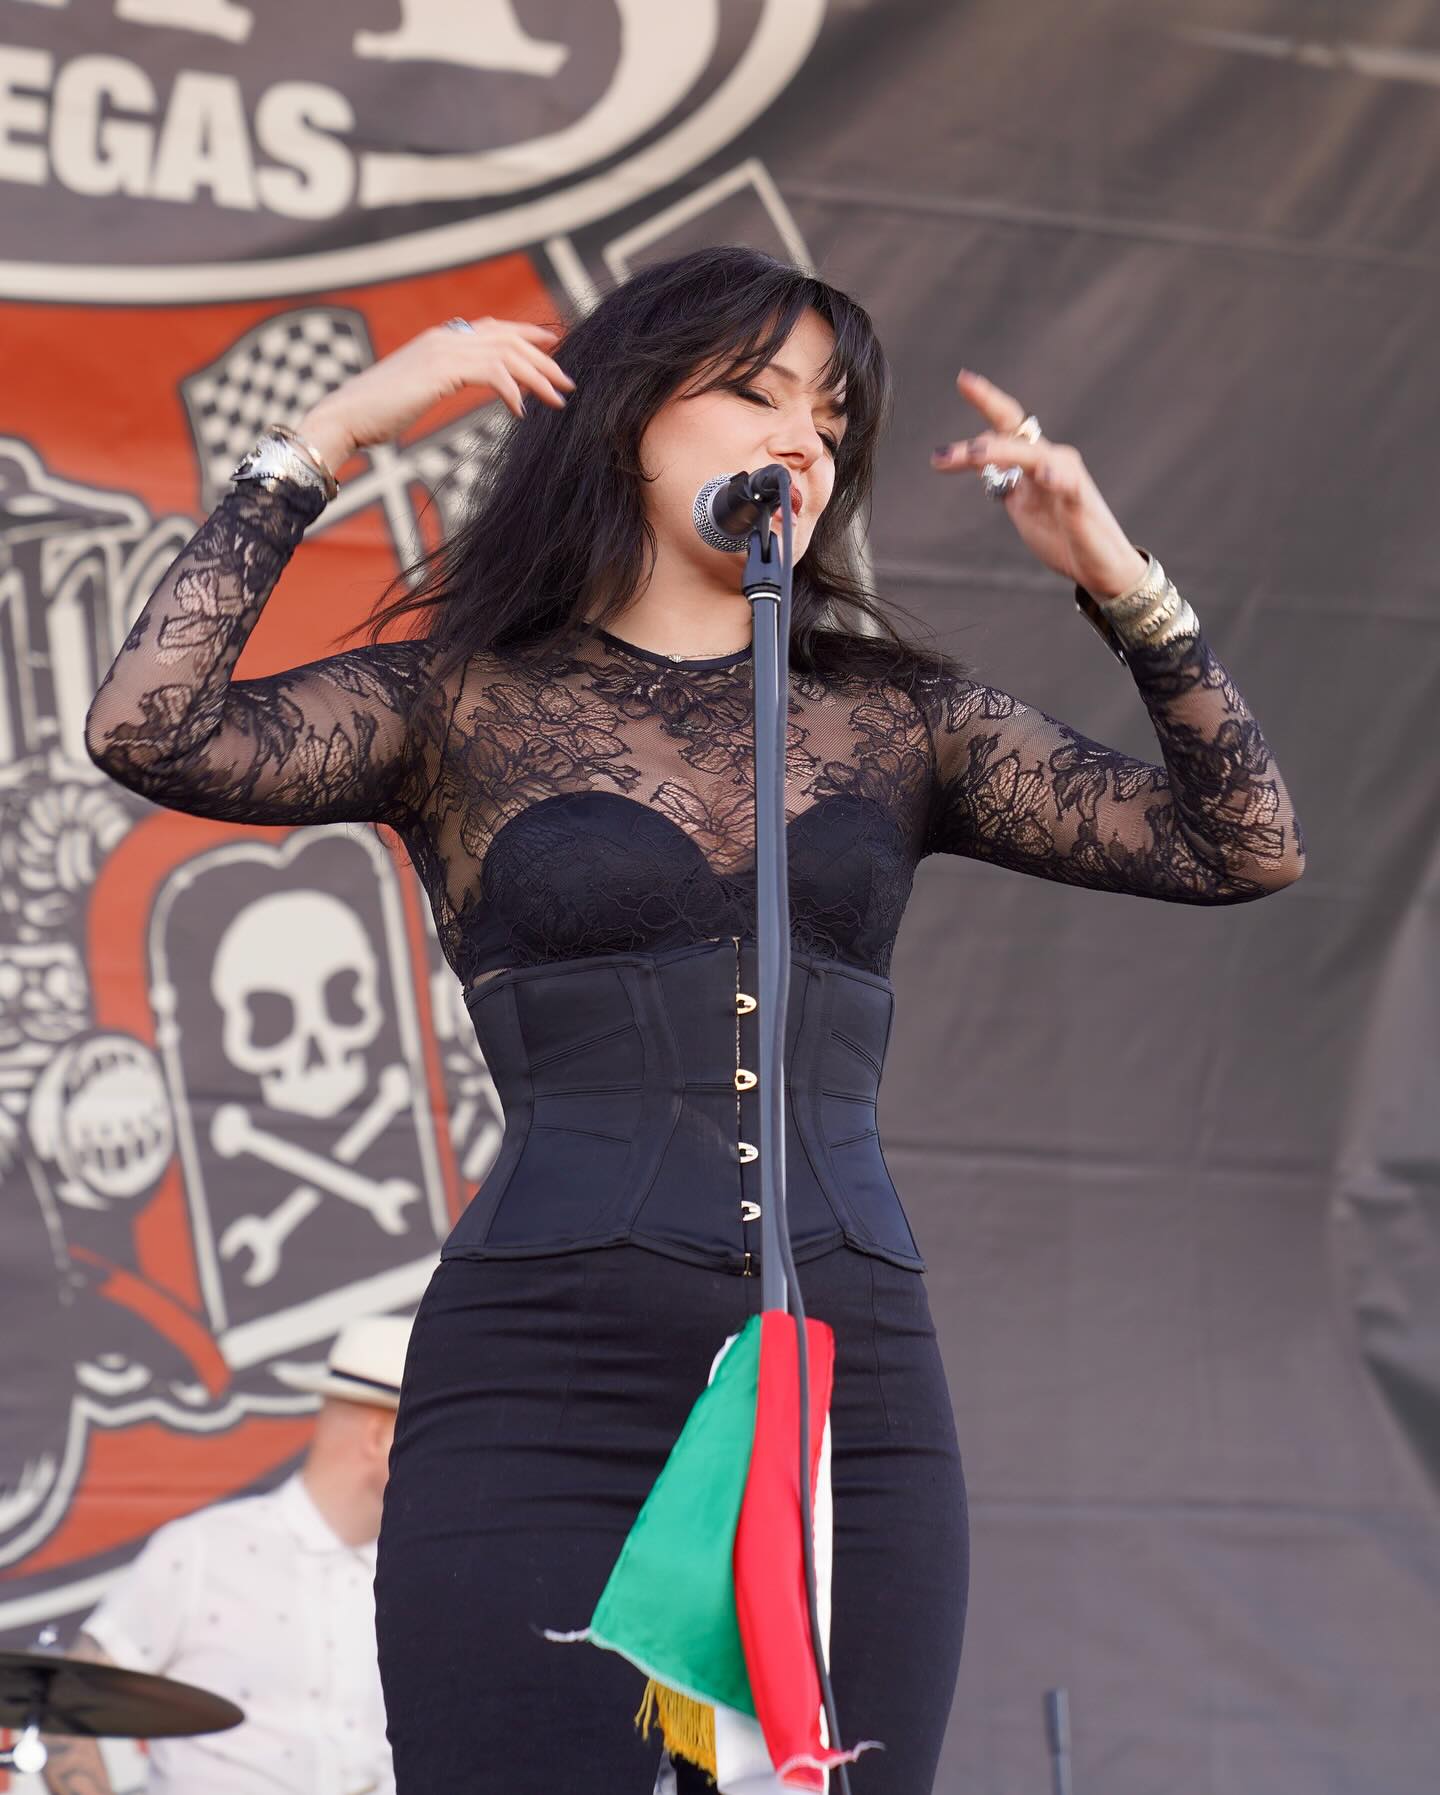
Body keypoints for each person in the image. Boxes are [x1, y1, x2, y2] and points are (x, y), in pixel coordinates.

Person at [83, 245, 1305, 1794]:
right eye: (755, 392)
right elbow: (151, 725)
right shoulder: (463, 701)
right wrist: (332, 434)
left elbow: (1241, 843)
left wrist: (1116, 578)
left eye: (832, 417)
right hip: (544, 1375)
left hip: (843, 1379)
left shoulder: (897, 715)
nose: (802, 438)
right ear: (624, 417)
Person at [41, 1316, 412, 1795]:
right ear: (380, 1437)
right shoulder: (204, 1552)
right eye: (439, 1434)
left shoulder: (428, 1581)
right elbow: (62, 1709)